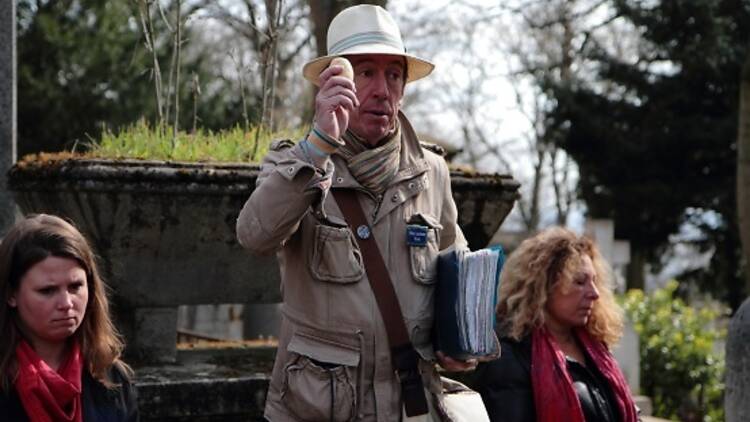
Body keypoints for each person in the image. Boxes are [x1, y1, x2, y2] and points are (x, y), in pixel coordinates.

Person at [236, 4, 476, 421]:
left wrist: (461, 342)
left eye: (394, 75)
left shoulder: (432, 171)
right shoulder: (295, 164)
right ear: (334, 81)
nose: (383, 89)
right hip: (318, 409)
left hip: (411, 408)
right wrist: (318, 148)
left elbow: (456, 268)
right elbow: (254, 236)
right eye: (366, 73)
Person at [473, 227, 638, 422]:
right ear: (542, 286)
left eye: (594, 281)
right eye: (579, 282)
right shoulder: (508, 357)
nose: (595, 293)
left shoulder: (595, 349)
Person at [0, 214, 139, 421]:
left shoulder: (112, 378)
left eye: (75, 287)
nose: (66, 304)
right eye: (47, 290)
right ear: (11, 294)